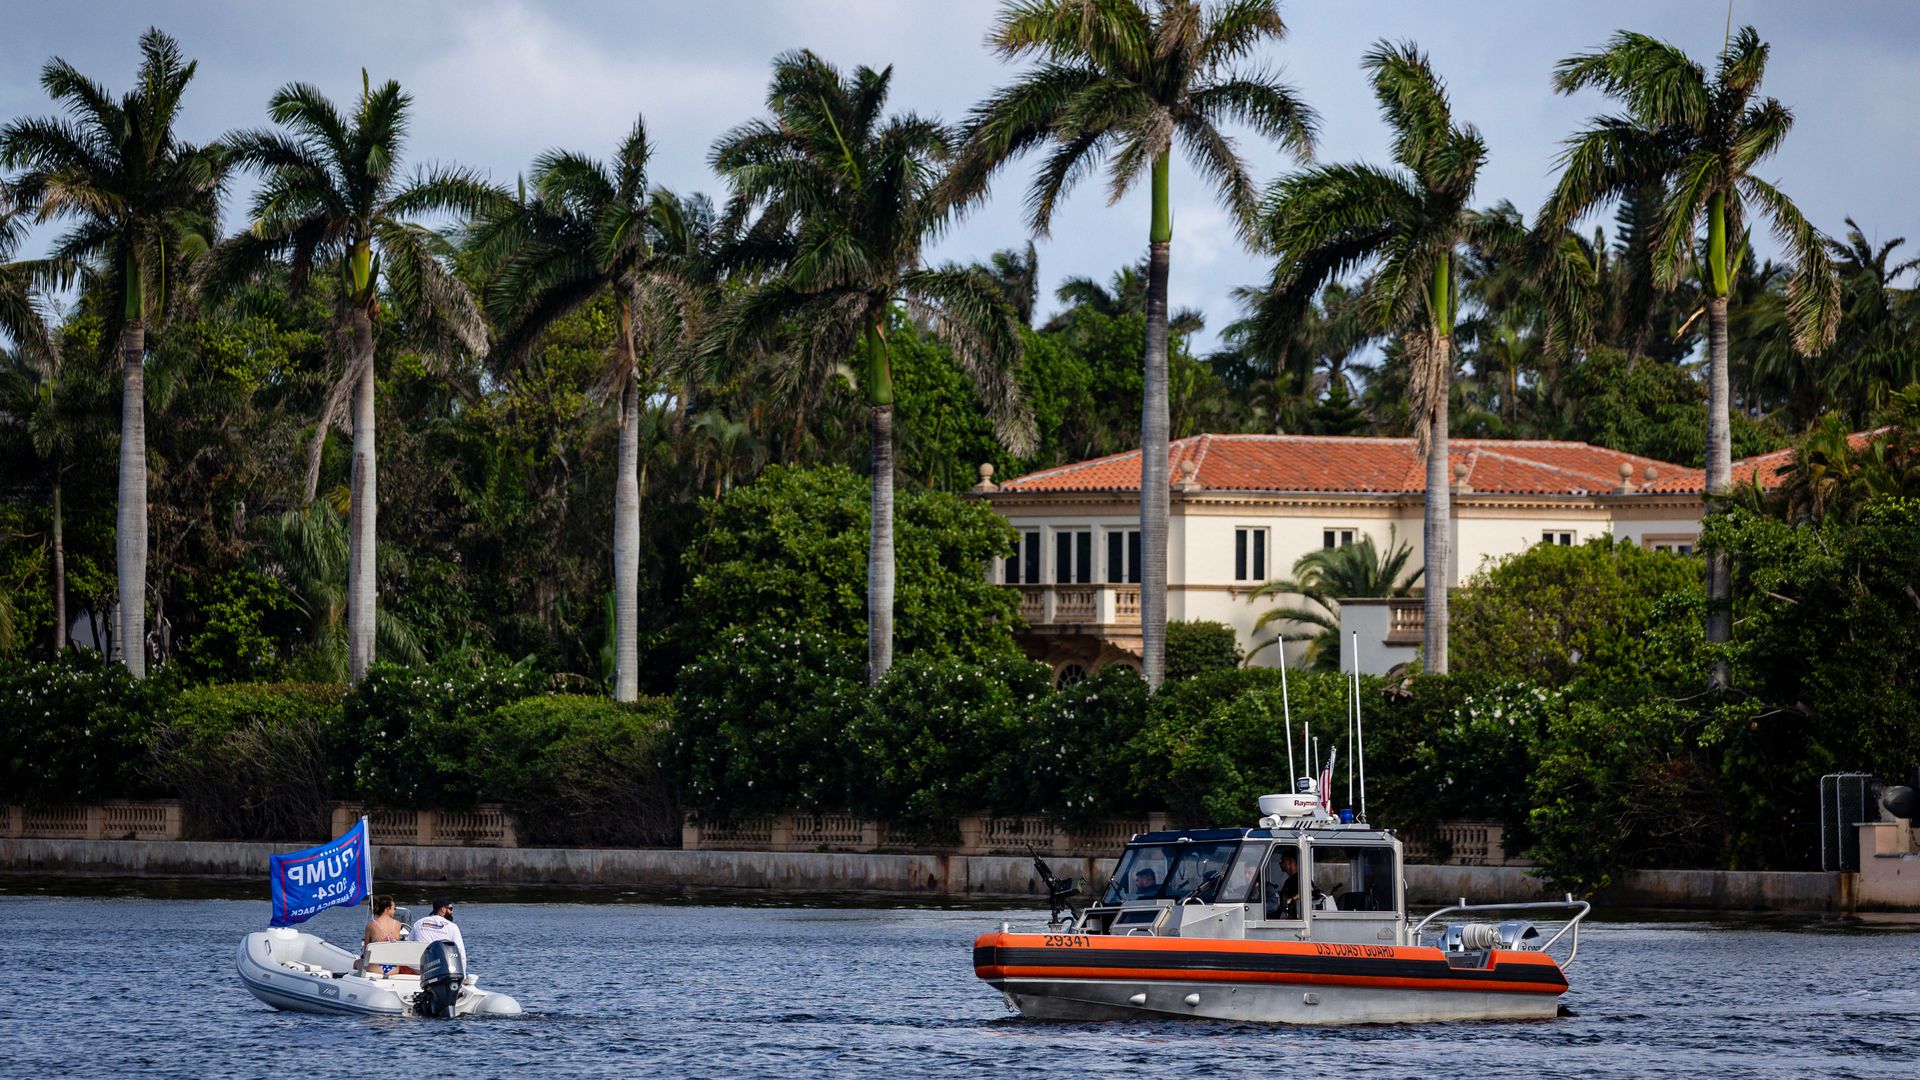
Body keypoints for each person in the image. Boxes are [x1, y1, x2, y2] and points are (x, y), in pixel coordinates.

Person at [411, 896, 468, 969]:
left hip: (418, 968)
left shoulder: (418, 923)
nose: (452, 912)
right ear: (443, 909)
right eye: (450, 909)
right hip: (440, 969)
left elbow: (408, 943)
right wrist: (463, 975)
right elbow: (461, 953)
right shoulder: (453, 927)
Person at [357, 895, 406, 975]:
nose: (395, 911)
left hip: (376, 968)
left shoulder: (371, 925)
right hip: (394, 969)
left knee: (356, 963)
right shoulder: (397, 924)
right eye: (394, 909)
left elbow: (366, 950)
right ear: (387, 909)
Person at [1265, 848, 1303, 920]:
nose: (1280, 863)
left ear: (1289, 862)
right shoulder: (1289, 880)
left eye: (1282, 860)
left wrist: (1291, 899)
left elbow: (1309, 891)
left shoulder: (1301, 879)